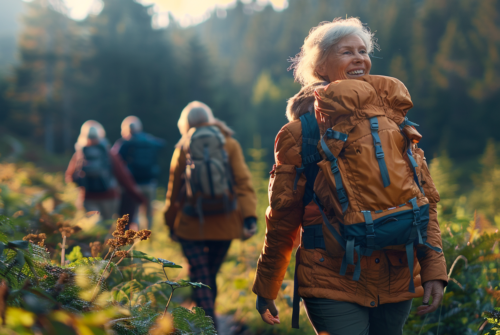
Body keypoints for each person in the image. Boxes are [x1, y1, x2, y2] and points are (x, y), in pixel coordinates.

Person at [252, 18, 448, 335]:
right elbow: (283, 216)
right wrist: (267, 285)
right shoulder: (300, 133)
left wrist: (434, 271)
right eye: (346, 52)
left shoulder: (396, 122)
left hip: (395, 274)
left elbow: (424, 199)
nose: (359, 58)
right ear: (321, 65)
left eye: (363, 50)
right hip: (330, 277)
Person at [163, 101, 257, 329]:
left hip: (190, 224)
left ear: (185, 123)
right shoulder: (229, 144)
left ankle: (208, 327)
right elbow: (242, 182)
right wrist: (249, 217)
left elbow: (174, 191)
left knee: (199, 276)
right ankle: (207, 324)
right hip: (225, 223)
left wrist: (170, 223)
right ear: (211, 118)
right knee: (209, 275)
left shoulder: (183, 146)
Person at [66, 120, 145, 221]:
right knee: (107, 225)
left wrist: (83, 184)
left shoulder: (79, 154)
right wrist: (138, 196)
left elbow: (69, 177)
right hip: (110, 196)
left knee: (94, 229)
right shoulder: (109, 153)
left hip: (88, 197)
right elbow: (123, 176)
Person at [112, 116, 165, 230]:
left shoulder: (125, 143)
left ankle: (134, 238)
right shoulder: (149, 140)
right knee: (149, 212)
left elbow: (113, 157)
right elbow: (161, 144)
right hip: (150, 182)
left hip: (133, 184)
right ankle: (148, 237)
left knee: (133, 212)